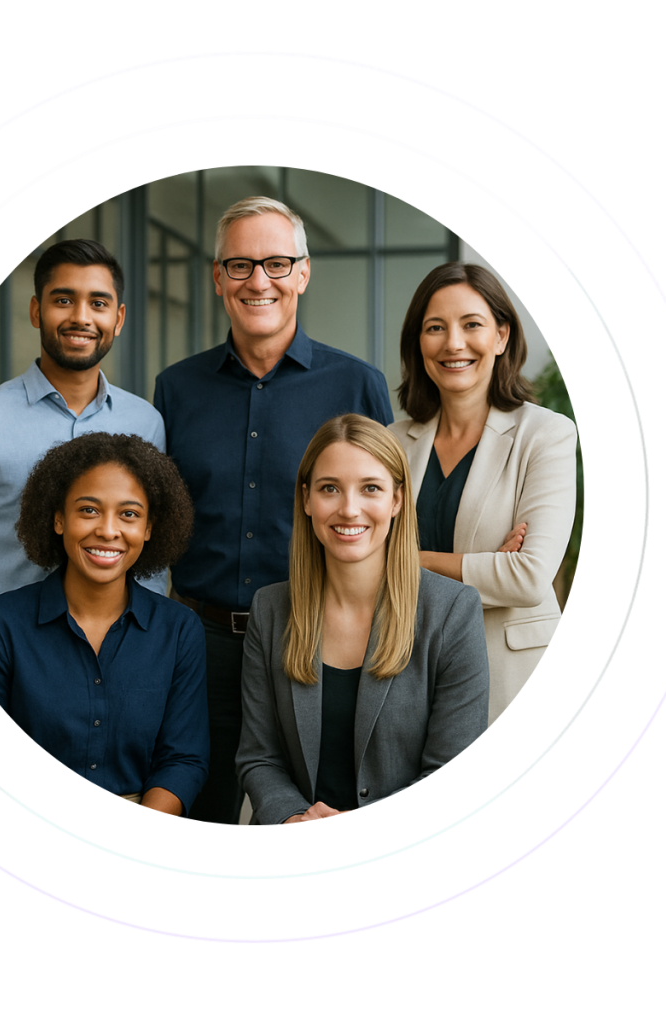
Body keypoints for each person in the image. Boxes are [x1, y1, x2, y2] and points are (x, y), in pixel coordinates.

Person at [153, 197, 394, 825]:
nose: (259, 281)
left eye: (277, 263)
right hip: (201, 645)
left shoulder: (357, 387)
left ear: (304, 273)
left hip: (314, 639)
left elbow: (386, 514)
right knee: (199, 810)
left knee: (306, 811)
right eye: (240, 264)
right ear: (217, 277)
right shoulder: (176, 389)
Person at [236, 415, 488, 825]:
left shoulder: (452, 612)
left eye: (370, 488)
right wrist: (293, 817)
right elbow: (259, 757)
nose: (348, 509)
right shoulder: (270, 609)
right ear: (306, 499)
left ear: (397, 500)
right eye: (329, 488)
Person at [0, 239, 167, 645]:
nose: (81, 317)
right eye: (64, 300)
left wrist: (146, 644)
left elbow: (150, 554)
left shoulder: (145, 422)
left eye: (99, 303)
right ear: (37, 310)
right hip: (5, 651)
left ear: (119, 318)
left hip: (114, 650)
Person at [0, 433, 209, 816]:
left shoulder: (179, 629)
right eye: (88, 510)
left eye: (128, 514)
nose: (108, 530)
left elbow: (183, 760)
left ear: (148, 528)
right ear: (59, 518)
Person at [388, 262, 577, 727]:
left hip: (509, 677)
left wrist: (414, 561)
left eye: (471, 324)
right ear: (419, 342)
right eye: (435, 328)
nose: (453, 343)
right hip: (406, 676)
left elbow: (529, 578)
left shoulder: (546, 434)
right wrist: (486, 564)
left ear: (501, 336)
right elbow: (362, 566)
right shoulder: (390, 442)